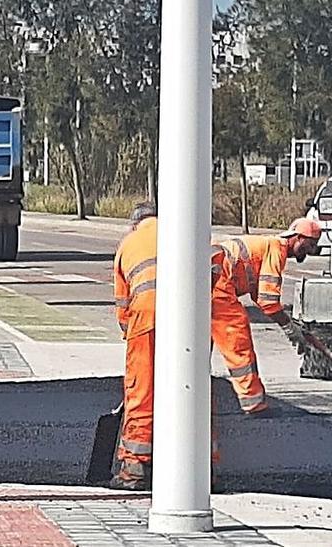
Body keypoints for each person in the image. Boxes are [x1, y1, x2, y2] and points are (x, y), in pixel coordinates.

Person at [111, 202, 225, 491]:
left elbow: (123, 308)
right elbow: (216, 262)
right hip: (192, 317)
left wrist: (135, 343)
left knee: (142, 392)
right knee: (195, 389)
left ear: (134, 223)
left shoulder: (128, 243)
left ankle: (135, 467)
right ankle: (205, 468)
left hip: (146, 318)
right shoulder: (186, 231)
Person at [212, 218, 320, 415]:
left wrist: (291, 322)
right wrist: (289, 329)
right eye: (310, 244)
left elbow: (258, 294)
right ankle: (253, 403)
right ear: (297, 238)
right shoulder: (276, 247)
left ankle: (196, 388)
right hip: (219, 281)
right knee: (236, 336)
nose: (311, 250)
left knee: (201, 339)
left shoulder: (267, 245)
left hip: (210, 276)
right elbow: (268, 301)